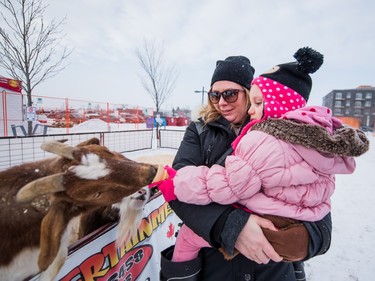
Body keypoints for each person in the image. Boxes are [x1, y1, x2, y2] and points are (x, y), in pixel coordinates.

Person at [151, 47, 369, 267]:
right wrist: (232, 226)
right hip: (215, 267)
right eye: (214, 95)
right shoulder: (199, 130)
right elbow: (179, 192)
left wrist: (300, 239)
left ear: (249, 92)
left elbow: (320, 226)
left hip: (271, 268)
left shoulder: (277, 136)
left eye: (230, 93)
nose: (221, 102)